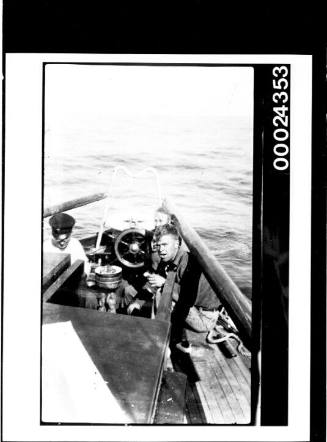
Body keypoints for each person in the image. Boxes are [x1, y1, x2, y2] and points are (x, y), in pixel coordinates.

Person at [43, 212, 90, 276]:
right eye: (58, 240)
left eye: (66, 239)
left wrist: (85, 273)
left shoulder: (75, 243)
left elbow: (85, 264)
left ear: (70, 234)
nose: (62, 243)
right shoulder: (45, 247)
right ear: (53, 235)